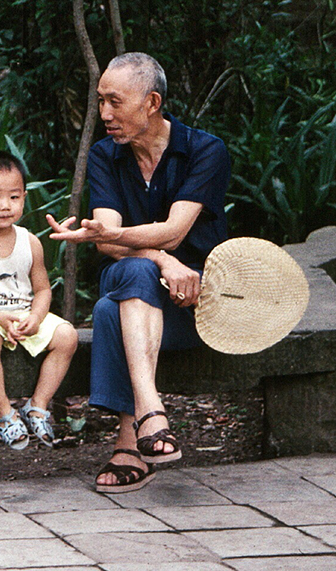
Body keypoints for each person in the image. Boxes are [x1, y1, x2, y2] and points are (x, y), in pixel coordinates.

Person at [48, 52, 230, 493]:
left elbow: (172, 231)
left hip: (194, 302)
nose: (104, 114)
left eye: (115, 102)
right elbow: (109, 242)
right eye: (101, 102)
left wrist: (161, 253)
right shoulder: (105, 155)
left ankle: (128, 443)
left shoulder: (205, 151)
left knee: (111, 314)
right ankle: (152, 411)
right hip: (131, 277)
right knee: (137, 274)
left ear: (151, 103)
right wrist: (164, 261)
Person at [0, 152, 78, 450]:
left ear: (24, 197)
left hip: (24, 311)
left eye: (14, 196)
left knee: (67, 336)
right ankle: (4, 412)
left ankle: (38, 406)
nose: (5, 205)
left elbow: (43, 290)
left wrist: (36, 317)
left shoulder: (30, 241)